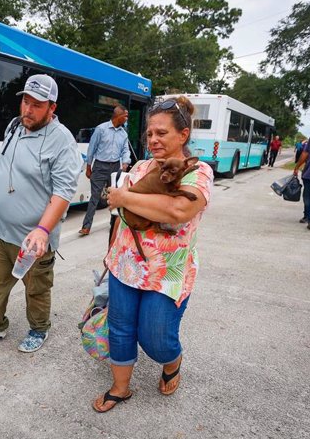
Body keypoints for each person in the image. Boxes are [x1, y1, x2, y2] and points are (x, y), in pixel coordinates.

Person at [92, 96, 213, 413]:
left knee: (155, 338)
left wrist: (124, 197)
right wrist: (110, 256)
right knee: (119, 329)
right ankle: (120, 388)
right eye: (149, 134)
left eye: (162, 133)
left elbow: (178, 209)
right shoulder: (141, 167)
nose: (153, 140)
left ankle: (172, 363)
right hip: (125, 265)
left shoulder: (198, 172)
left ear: (182, 135)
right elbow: (121, 215)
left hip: (167, 273)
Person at [0, 74, 82, 353]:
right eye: (25, 102)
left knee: (36, 288)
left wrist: (42, 231)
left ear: (52, 107)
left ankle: (39, 328)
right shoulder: (15, 127)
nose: (28, 110)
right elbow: (3, 164)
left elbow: (63, 192)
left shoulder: (62, 141)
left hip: (33, 239)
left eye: (37, 105)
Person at [79, 106, 130, 236]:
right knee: (94, 198)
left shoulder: (123, 134)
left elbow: (125, 150)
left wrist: (125, 162)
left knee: (115, 197)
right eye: (125, 116)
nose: (127, 118)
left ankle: (113, 225)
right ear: (118, 116)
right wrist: (89, 166)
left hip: (115, 168)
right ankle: (86, 227)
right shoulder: (101, 129)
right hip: (100, 167)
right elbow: (92, 148)